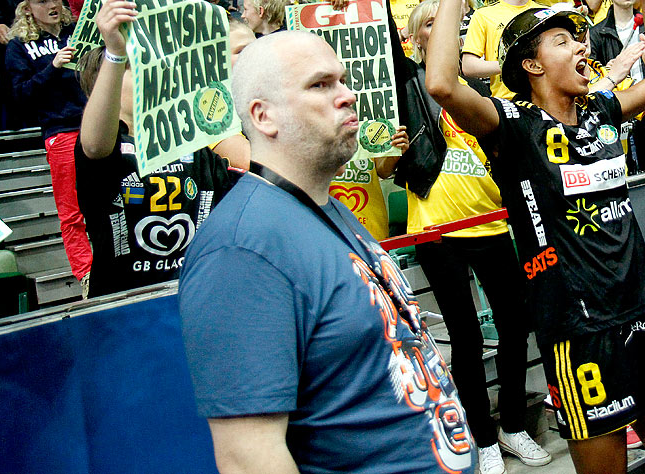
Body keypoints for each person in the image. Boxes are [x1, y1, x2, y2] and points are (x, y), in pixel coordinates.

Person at [427, 0, 645, 474]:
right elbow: (443, 84)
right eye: (561, 39)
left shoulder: (600, 109)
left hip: (640, 308)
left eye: (578, 37)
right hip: (577, 332)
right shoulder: (510, 128)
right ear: (530, 64)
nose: (579, 46)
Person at [178, 27, 475, 474]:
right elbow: (247, 456)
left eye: (342, 79)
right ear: (263, 116)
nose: (348, 94)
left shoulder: (326, 207)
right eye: (320, 85)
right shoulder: (242, 249)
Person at [385, 0, 550, 474]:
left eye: (447, 23)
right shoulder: (407, 89)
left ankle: (514, 426)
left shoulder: (477, 89)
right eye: (430, 24)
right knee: (466, 336)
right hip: (437, 231)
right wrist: (393, 151)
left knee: (517, 326)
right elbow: (386, 168)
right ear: (415, 40)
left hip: (493, 221)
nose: (442, 29)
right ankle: (484, 438)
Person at [74, 0, 238, 298]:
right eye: (132, 66)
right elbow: (95, 147)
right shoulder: (105, 147)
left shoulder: (192, 141)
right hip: (123, 304)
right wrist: (114, 53)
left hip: (195, 295)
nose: (149, 72)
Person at [5, 0, 90, 285]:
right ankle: (85, 276)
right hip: (60, 131)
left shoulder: (77, 32)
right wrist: (51, 68)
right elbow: (20, 95)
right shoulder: (18, 46)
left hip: (96, 125)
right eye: (42, 1)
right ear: (27, 9)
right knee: (72, 211)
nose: (52, 5)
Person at [462, 0, 542, 99]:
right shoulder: (484, 15)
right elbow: (468, 66)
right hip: (507, 102)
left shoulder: (544, 13)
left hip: (544, 99)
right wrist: (513, 64)